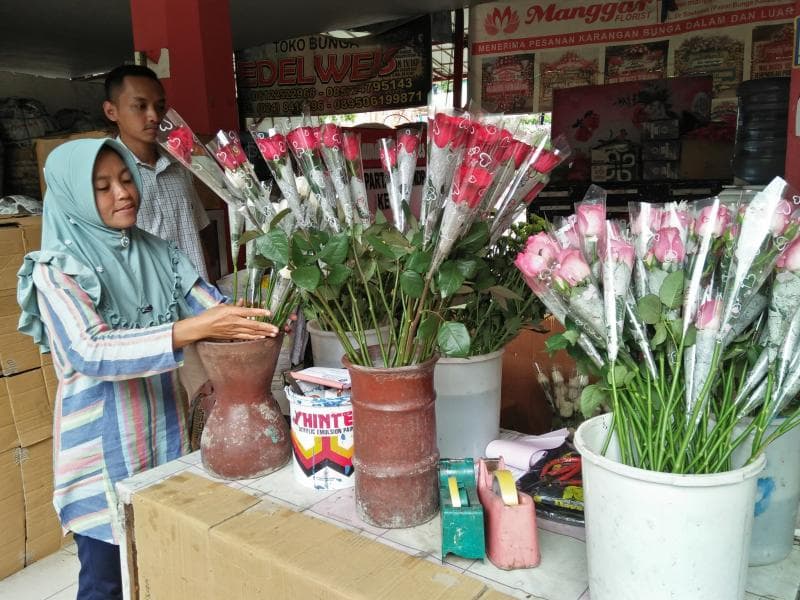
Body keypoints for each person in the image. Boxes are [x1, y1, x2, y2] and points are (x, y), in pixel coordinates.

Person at [16, 138, 277, 600]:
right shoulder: (55, 272)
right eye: (102, 186)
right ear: (74, 195)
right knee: (106, 582)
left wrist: (260, 316)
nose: (122, 193)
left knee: (164, 561)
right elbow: (89, 351)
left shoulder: (159, 252)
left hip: (165, 438)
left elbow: (210, 311)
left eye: (124, 179)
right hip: (98, 457)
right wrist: (187, 329)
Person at [102, 64, 211, 280]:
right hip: (149, 302)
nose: (154, 116)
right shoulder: (104, 176)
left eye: (160, 107)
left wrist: (212, 289)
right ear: (111, 111)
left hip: (198, 295)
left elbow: (199, 229)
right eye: (140, 106)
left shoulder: (180, 165)